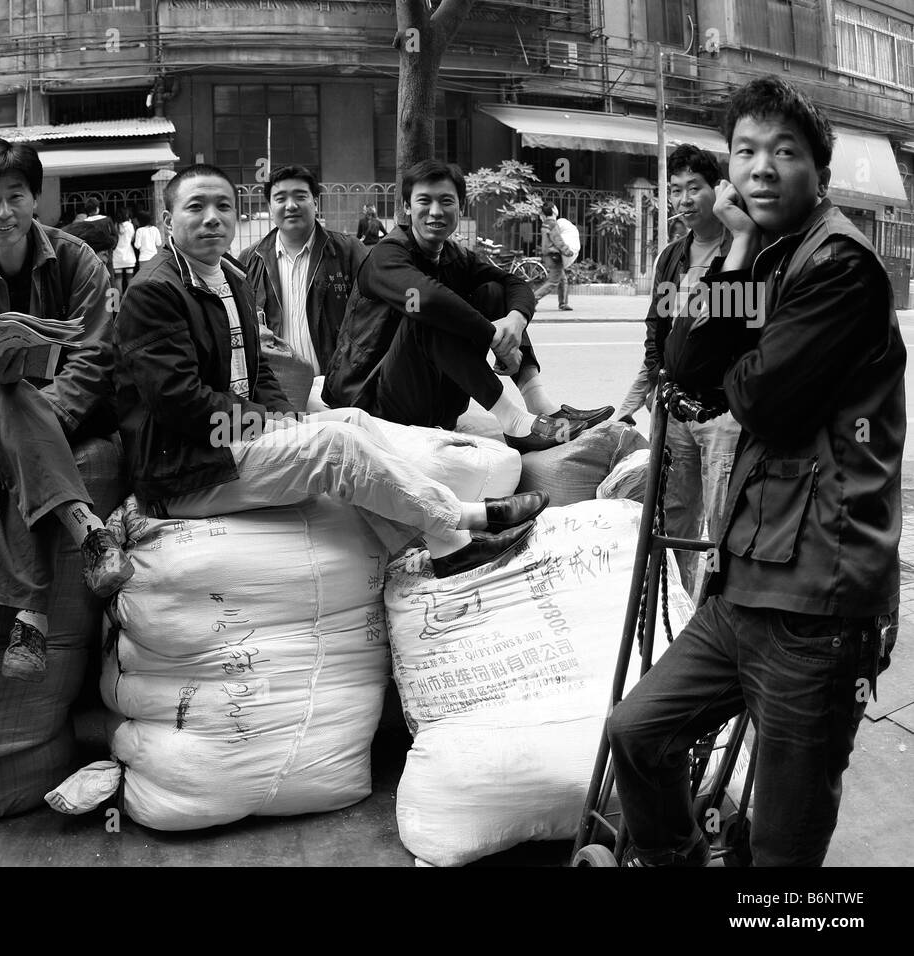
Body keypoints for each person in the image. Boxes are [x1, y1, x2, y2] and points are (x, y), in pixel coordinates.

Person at [608, 76, 904, 867]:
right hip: (743, 582)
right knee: (636, 733)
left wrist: (732, 371)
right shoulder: (765, 255)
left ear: (821, 171)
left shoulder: (840, 266)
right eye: (746, 151)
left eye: (785, 151)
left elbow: (760, 400)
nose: (762, 168)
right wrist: (735, 249)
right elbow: (682, 367)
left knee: (782, 843)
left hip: (816, 601)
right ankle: (678, 859)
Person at [113, 163, 550, 577]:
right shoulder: (154, 292)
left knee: (353, 421)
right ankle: (467, 516)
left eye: (223, 207)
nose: (212, 218)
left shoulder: (233, 277)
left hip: (232, 437)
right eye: (196, 207)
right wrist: (270, 426)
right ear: (168, 221)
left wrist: (287, 419)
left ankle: (447, 548)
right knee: (336, 443)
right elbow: (179, 403)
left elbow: (258, 368)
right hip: (187, 469)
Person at [0, 137, 129, 683]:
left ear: (37, 199)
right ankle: (89, 531)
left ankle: (30, 615)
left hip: (72, 409)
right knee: (4, 394)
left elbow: (95, 355)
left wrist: (43, 420)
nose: (4, 212)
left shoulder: (79, 261)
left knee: (18, 413)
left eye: (17, 196)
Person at [323, 160, 611, 453]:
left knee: (492, 291)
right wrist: (494, 339)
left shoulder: (455, 257)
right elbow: (428, 300)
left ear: (459, 208)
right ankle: (513, 422)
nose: (435, 211)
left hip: (434, 401)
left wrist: (516, 319)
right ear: (407, 208)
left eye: (446, 201)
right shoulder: (386, 256)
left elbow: (513, 284)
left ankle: (539, 403)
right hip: (371, 398)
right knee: (428, 311)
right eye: (424, 201)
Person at [612, 144, 738, 597]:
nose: (684, 200)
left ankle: (717, 613)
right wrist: (656, 378)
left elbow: (734, 331)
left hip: (723, 414)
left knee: (723, 518)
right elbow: (658, 325)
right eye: (677, 190)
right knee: (677, 511)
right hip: (675, 408)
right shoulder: (672, 256)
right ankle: (680, 606)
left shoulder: (741, 251)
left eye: (695, 188)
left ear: (718, 191)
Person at [242, 165, 368, 379]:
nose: (291, 206)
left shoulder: (348, 252)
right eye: (280, 199)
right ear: (270, 207)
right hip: (277, 391)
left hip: (337, 386)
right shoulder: (249, 260)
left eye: (300, 196)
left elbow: (370, 319)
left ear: (315, 203)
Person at [531, 203, 577, 311]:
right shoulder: (552, 224)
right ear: (553, 210)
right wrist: (568, 252)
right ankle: (532, 299)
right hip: (554, 256)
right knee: (553, 282)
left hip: (549, 255)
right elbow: (558, 240)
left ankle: (563, 303)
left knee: (563, 279)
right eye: (555, 207)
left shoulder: (545, 224)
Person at [63, 198, 118, 276]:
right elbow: (114, 236)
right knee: (108, 274)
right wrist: (111, 247)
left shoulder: (84, 223)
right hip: (107, 252)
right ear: (97, 208)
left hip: (90, 254)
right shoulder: (107, 220)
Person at [112, 206, 137, 295]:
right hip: (128, 256)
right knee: (130, 278)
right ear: (126, 215)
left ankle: (119, 301)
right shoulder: (130, 225)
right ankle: (130, 298)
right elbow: (133, 239)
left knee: (118, 279)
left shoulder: (115, 225)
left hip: (117, 256)